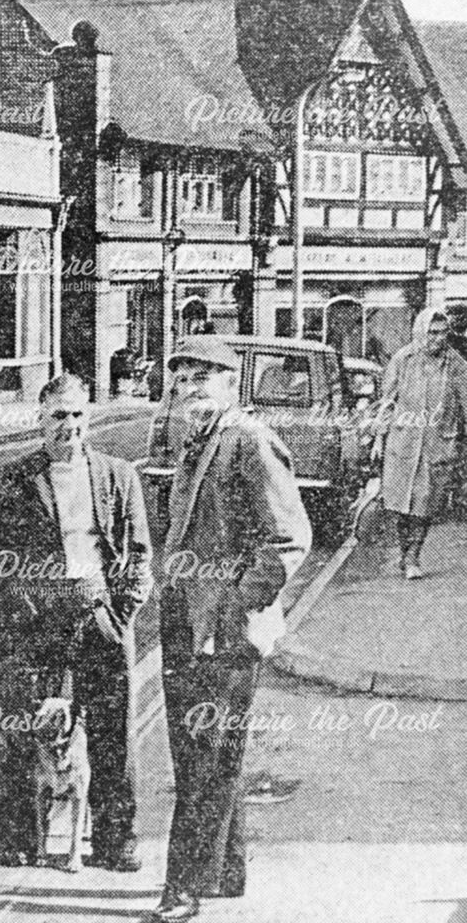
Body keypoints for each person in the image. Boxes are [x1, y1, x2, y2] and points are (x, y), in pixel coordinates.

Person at [148, 337, 312, 922]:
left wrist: (235, 607)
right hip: (186, 620)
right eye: (183, 378)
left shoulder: (249, 441)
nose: (191, 388)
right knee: (210, 755)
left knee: (203, 759)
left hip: (222, 628)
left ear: (231, 383)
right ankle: (223, 873)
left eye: (204, 377)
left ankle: (182, 887)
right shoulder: (198, 440)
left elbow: (289, 540)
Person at [0, 372, 153, 870]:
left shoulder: (119, 475)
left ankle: (117, 845)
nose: (68, 426)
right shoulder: (14, 479)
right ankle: (19, 842)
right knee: (19, 728)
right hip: (35, 620)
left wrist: (120, 613)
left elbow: (139, 554)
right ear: (40, 420)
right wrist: (16, 608)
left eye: (77, 415)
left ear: (88, 418)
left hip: (99, 614)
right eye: (58, 416)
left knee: (111, 732)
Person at [372, 308, 467, 579]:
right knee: (401, 503)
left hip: (438, 445)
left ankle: (413, 556)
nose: (438, 338)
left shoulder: (456, 364)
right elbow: (387, 403)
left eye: (442, 332)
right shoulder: (403, 360)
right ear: (421, 332)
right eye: (432, 332)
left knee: (425, 503)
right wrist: (379, 438)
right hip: (402, 443)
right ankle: (405, 553)